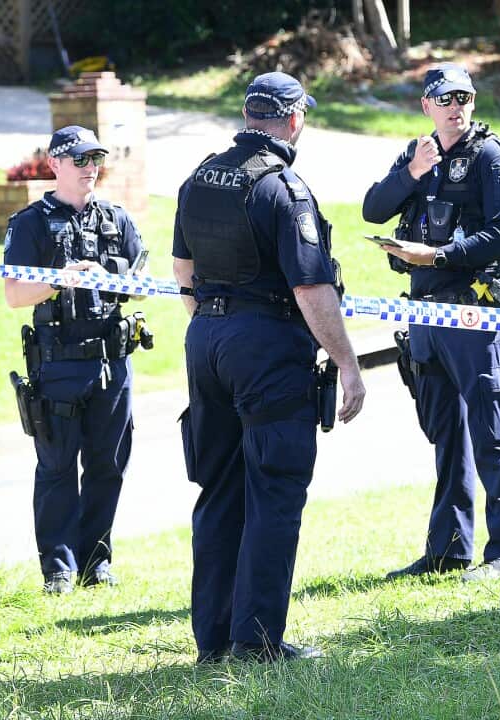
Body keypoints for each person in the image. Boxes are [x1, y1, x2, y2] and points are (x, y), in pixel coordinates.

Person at [172, 72, 366, 663]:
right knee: (275, 491)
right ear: (293, 119)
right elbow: (310, 287)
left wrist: (217, 323)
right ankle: (256, 642)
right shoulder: (284, 189)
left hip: (205, 337)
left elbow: (183, 272)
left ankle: (213, 643)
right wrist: (348, 363)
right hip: (264, 348)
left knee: (219, 492)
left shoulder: (198, 178)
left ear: (248, 114)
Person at [362, 63, 500, 583]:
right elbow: (372, 209)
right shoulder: (418, 156)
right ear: (426, 105)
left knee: (495, 432)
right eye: (447, 98)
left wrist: (435, 256)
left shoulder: (490, 156)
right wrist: (410, 173)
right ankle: (448, 548)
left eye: (466, 98)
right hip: (425, 317)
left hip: (474, 311)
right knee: (446, 436)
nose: (458, 107)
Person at [3, 125, 148, 595]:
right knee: (57, 467)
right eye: (80, 160)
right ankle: (59, 570)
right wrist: (60, 280)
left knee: (108, 464)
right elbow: (14, 294)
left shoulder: (117, 220)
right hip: (58, 364)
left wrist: (105, 276)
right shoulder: (30, 223)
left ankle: (96, 562)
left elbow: (141, 281)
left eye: (96, 160)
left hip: (112, 360)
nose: (90, 169)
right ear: (55, 164)